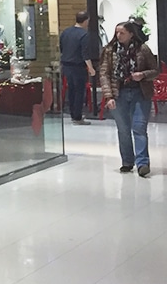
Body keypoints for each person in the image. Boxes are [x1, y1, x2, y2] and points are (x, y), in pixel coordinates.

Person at [98, 21, 157, 178]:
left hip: (140, 93)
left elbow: (155, 70)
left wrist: (143, 75)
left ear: (131, 34)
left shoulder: (143, 49)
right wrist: (108, 96)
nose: (119, 35)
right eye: (117, 32)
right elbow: (104, 74)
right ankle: (127, 161)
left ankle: (143, 163)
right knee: (123, 129)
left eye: (122, 32)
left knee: (139, 128)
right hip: (119, 94)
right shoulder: (110, 51)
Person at [59, 11, 96, 124]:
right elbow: (84, 53)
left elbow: (61, 48)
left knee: (71, 90)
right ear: (86, 21)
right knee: (80, 91)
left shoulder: (65, 32)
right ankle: (77, 117)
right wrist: (91, 68)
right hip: (78, 66)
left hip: (66, 65)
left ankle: (72, 114)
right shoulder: (84, 34)